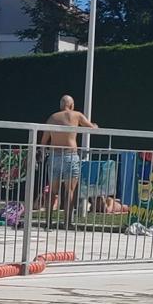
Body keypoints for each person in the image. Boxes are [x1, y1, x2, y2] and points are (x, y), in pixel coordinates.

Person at [40, 94, 98, 227]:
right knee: (70, 190)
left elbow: (44, 141)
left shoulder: (52, 118)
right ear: (71, 105)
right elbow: (91, 128)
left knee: (53, 191)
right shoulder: (76, 115)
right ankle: (67, 222)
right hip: (70, 155)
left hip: (54, 155)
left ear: (61, 105)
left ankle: (48, 222)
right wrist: (95, 125)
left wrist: (42, 153)